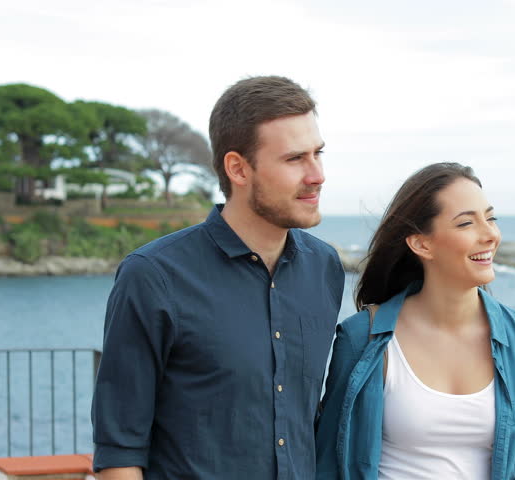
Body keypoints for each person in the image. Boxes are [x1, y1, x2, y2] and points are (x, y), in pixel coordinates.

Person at [92, 76, 345, 479]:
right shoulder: (153, 276)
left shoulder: (325, 267)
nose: (317, 175)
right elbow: (119, 452)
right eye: (295, 159)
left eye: (318, 153)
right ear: (238, 169)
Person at [315, 162, 515, 479]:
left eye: (491, 218)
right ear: (421, 243)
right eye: (466, 224)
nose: (490, 235)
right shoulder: (362, 338)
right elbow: (329, 464)